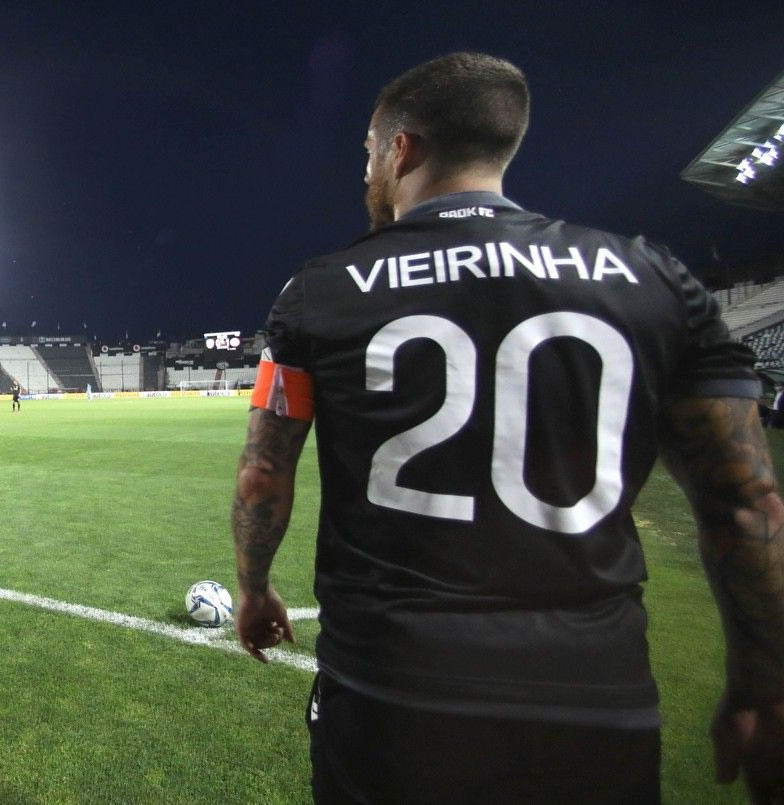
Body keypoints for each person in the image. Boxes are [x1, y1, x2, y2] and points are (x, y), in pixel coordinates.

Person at [231, 52, 784, 802]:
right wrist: (764, 685)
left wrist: (255, 587)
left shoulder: (320, 291)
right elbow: (746, 504)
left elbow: (263, 474)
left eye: (367, 152)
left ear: (401, 150)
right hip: (594, 695)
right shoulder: (652, 278)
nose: (365, 172)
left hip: (391, 690)